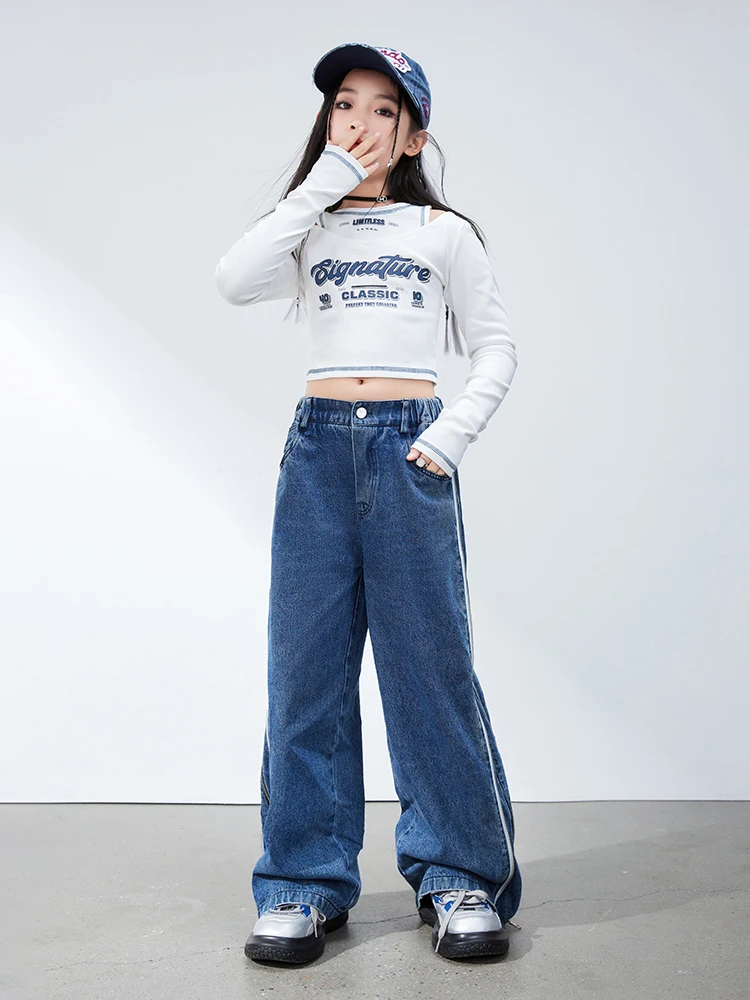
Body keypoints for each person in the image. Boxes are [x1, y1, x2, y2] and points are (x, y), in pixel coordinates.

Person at [215, 42, 523, 965]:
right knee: (304, 671)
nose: (359, 120)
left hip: (409, 450)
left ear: (413, 134)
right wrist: (321, 184)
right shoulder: (307, 228)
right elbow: (233, 279)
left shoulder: (442, 232)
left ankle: (460, 874)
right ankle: (303, 882)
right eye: (344, 103)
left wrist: (449, 436)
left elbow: (496, 347)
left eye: (383, 109)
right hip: (317, 451)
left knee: (430, 669)